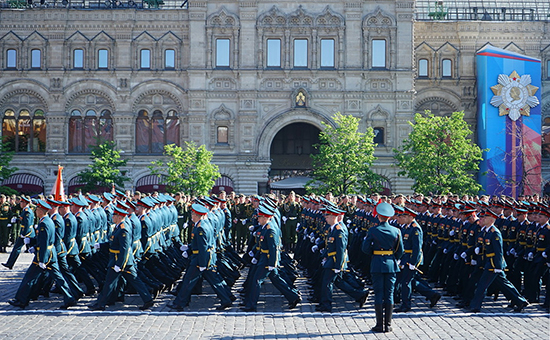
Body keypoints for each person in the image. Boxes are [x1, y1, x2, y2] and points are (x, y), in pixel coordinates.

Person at [8, 199, 77, 309]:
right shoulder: (47, 221)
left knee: (29, 277)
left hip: (44, 255)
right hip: (50, 253)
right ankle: (69, 298)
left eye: (37, 210)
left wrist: (42, 260)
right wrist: (32, 242)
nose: (36, 212)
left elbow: (45, 242)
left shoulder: (44, 223)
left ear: (41, 211)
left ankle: (21, 300)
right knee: (59, 278)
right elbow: (44, 239)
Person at [88, 206, 154, 311]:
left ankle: (100, 303)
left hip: (120, 261)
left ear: (119, 217)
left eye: (114, 215)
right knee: (134, 281)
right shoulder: (119, 227)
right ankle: (148, 299)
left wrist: (119, 264)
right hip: (121, 260)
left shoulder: (123, 229)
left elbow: (124, 249)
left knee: (110, 282)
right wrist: (101, 245)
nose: (112, 217)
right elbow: (114, 243)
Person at [242, 205, 301, 312]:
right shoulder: (265, 229)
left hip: (267, 260)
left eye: (259, 217)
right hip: (264, 258)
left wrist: (272, 263)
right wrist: (256, 256)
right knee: (277, 280)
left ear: (265, 218)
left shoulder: (270, 231)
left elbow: (273, 249)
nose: (258, 219)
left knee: (256, 280)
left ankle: (251, 304)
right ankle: (293, 297)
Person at [468, 209, 528, 313]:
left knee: (482, 285)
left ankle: (475, 306)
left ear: (491, 219)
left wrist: (498, 266)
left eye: (485, 217)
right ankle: (520, 301)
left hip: (493, 264)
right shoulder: (486, 231)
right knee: (504, 285)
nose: (483, 219)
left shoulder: (495, 233)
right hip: (488, 262)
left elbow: (499, 251)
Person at [362, 202, 403, 333]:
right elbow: (400, 250)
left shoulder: (373, 230)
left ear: (379, 216)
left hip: (377, 263)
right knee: (389, 294)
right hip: (391, 264)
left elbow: (365, 248)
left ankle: (379, 324)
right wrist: (391, 257)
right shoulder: (396, 231)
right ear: (389, 217)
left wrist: (374, 253)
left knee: (379, 294)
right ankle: (388, 325)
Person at [3, 196, 35, 270]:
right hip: (24, 232)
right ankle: (10, 263)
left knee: (35, 249)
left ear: (25, 203)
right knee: (16, 248)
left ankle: (43, 261)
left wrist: (24, 234)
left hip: (28, 233)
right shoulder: (24, 210)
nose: (20, 203)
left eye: (22, 202)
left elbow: (27, 223)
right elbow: (22, 220)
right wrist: (17, 220)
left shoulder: (27, 211)